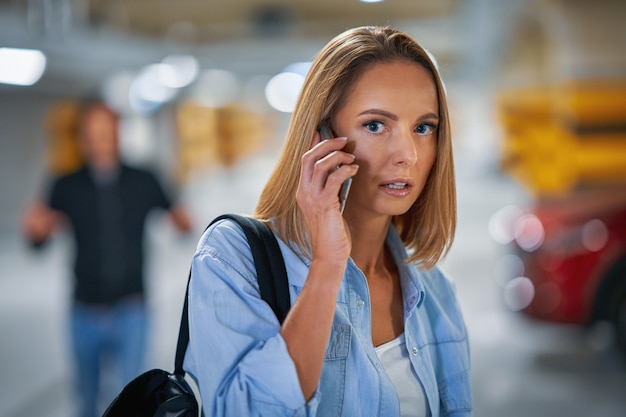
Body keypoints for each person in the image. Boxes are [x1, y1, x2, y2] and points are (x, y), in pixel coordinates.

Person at [184, 26, 472, 417]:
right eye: (375, 125)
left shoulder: (435, 291)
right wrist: (327, 266)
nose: (408, 155)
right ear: (319, 139)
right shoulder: (231, 257)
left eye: (424, 128)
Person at [21, 100, 192, 417]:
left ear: (118, 131)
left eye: (107, 129)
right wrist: (34, 231)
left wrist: (184, 219)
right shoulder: (66, 183)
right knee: (86, 398)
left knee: (131, 401)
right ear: (84, 137)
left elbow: (181, 224)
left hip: (132, 309)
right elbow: (38, 241)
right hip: (85, 310)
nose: (100, 138)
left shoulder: (144, 178)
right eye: (93, 131)